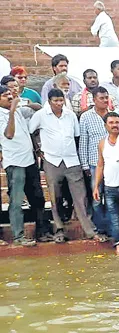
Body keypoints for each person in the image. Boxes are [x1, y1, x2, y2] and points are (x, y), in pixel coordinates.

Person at [29, 89, 101, 243]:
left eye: (61, 100)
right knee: (55, 197)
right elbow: (30, 131)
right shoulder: (41, 115)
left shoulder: (70, 115)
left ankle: (90, 230)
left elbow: (76, 136)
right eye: (56, 101)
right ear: (49, 101)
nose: (59, 104)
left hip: (71, 160)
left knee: (80, 197)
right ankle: (60, 229)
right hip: (52, 160)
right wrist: (37, 150)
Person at [0, 86, 51, 246]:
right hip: (14, 163)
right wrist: (13, 110)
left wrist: (25, 103)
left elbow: (39, 108)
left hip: (30, 161)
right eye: (5, 95)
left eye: (10, 94)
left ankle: (42, 232)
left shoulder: (19, 111)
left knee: (37, 198)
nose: (9, 97)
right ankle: (18, 236)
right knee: (16, 201)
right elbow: (9, 134)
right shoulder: (4, 115)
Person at [93, 112, 119, 254]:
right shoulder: (102, 143)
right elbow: (100, 165)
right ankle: (118, 244)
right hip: (110, 186)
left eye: (117, 122)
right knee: (114, 218)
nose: (115, 125)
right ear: (105, 125)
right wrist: (96, 186)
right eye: (111, 123)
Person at [79, 87, 112, 235]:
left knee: (111, 198)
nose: (105, 101)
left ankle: (112, 228)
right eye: (102, 98)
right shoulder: (86, 117)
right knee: (97, 198)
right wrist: (85, 165)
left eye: (106, 98)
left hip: (112, 164)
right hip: (94, 164)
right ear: (94, 100)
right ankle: (100, 228)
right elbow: (83, 142)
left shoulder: (113, 116)